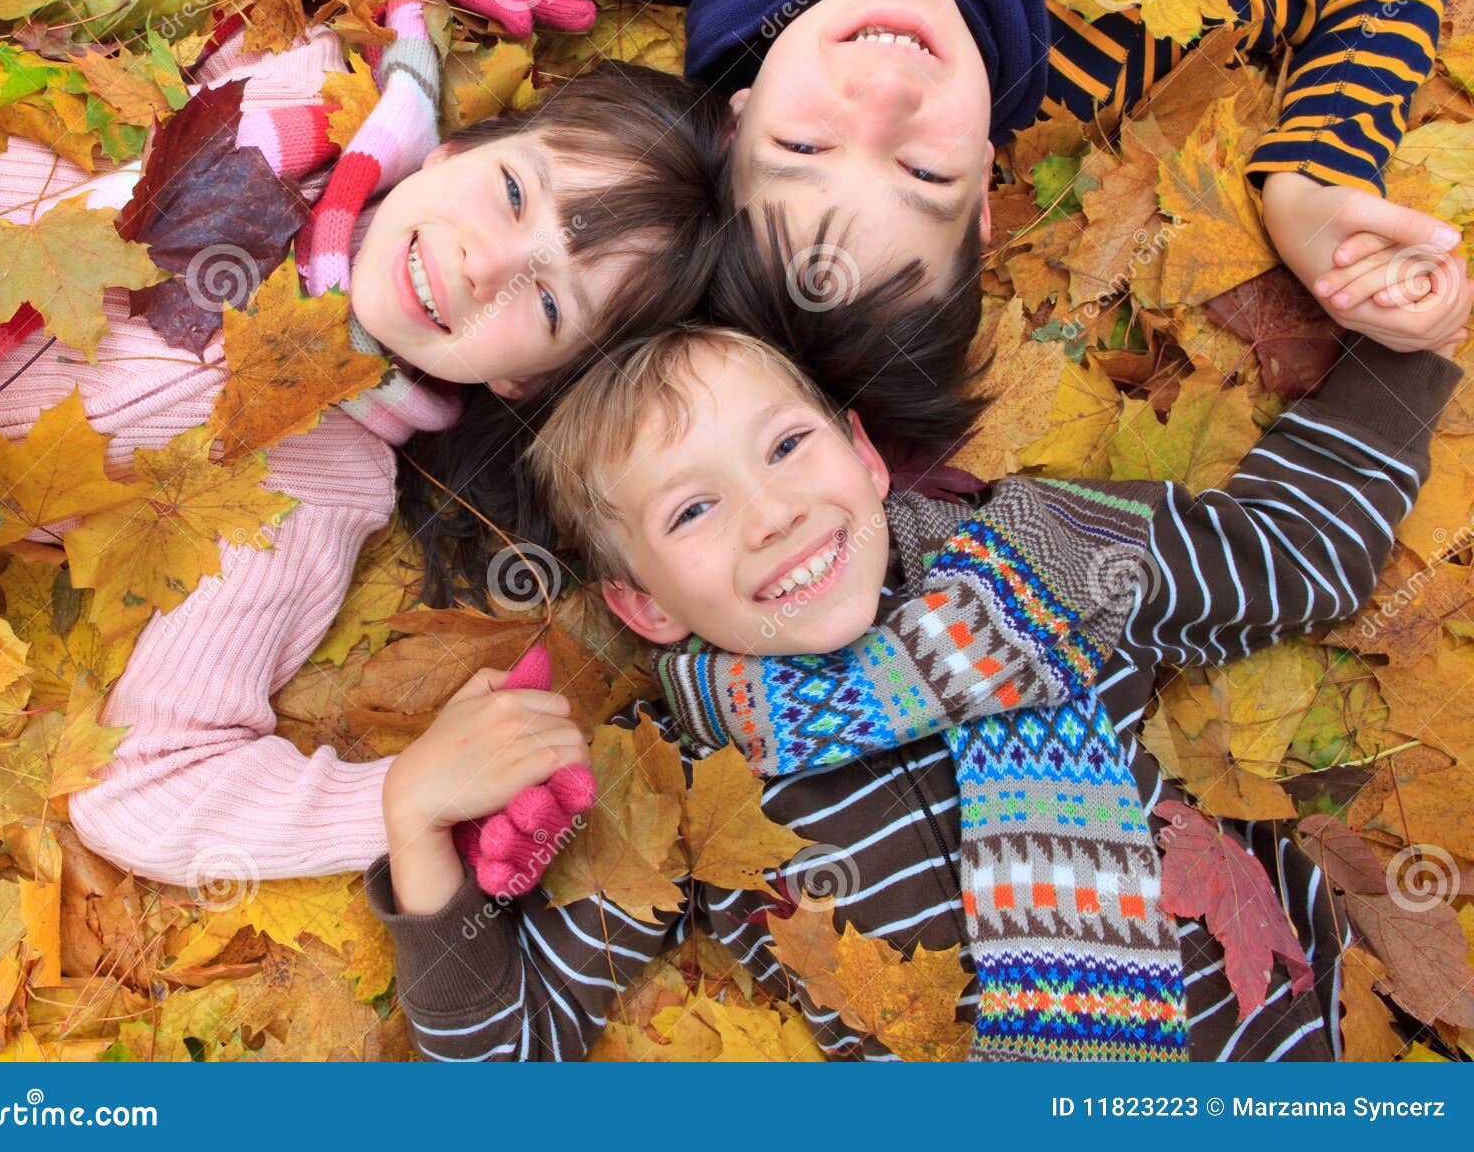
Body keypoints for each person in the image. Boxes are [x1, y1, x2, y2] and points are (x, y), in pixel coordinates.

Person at [0, 0, 729, 885]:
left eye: (549, 299)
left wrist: (394, 798)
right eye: (514, 194)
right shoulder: (289, 83)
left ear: (524, 379)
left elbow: (146, 784)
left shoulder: (310, 477)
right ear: (460, 146)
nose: (483, 263)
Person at [365, 318, 1465, 1060]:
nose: (774, 512)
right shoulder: (674, 775)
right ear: (644, 605)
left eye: (787, 445)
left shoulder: (1048, 550)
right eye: (690, 511)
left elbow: (1293, 555)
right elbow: (507, 1058)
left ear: (863, 455)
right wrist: (416, 830)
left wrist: (1404, 353)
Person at [531, 0, 1467, 434]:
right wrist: (1309, 183)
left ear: (735, 125)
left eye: (805, 150)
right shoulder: (1094, 45)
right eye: (922, 170)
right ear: (984, 189)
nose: (886, 96)